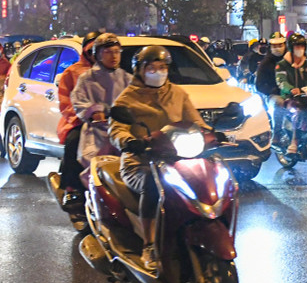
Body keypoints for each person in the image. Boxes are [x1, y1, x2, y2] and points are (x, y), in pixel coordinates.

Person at [107, 45, 205, 261]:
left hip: (178, 160)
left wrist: (212, 134)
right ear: (140, 70)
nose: (158, 72)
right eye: (152, 67)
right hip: (141, 162)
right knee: (153, 184)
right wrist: (129, 141)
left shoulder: (178, 94)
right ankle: (149, 244)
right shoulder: (127, 98)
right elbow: (116, 129)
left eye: (162, 67)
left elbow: (196, 121)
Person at [49, 35, 97, 210]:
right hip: (80, 121)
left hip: (110, 123)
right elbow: (67, 102)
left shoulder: (119, 74)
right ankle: (71, 187)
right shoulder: (73, 72)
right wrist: (84, 117)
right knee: (74, 141)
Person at [71, 32, 130, 164]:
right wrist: (95, 111)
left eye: (117, 51)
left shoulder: (128, 78)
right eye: (108, 52)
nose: (114, 56)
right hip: (97, 132)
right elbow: (78, 101)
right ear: (98, 54)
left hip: (124, 131)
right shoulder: (87, 79)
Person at [269, 32, 307, 158]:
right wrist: (292, 89)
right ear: (291, 48)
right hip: (290, 98)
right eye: (296, 47)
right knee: (298, 111)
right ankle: (294, 141)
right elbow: (281, 82)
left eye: (302, 46)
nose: (299, 49)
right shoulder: (282, 64)